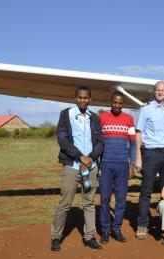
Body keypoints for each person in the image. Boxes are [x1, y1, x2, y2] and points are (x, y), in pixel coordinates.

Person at [50, 86, 103, 251]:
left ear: (90, 100)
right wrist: (81, 157)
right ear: (75, 98)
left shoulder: (95, 118)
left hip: (91, 167)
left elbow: (100, 142)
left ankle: (89, 236)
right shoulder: (66, 114)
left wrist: (91, 159)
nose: (83, 100)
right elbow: (62, 140)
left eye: (86, 98)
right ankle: (56, 237)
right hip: (72, 166)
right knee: (65, 203)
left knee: (89, 203)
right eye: (80, 97)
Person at [135, 81, 164, 240]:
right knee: (146, 190)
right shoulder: (146, 110)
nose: (160, 92)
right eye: (158, 90)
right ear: (154, 92)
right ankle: (142, 225)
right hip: (151, 153)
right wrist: (139, 157)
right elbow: (138, 133)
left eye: (163, 90)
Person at [98, 91, 136, 244]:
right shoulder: (102, 118)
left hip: (122, 165)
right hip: (106, 164)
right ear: (111, 102)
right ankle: (105, 230)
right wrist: (98, 165)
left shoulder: (129, 119)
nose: (117, 105)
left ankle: (116, 229)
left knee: (120, 200)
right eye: (115, 102)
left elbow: (133, 143)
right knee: (105, 199)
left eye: (120, 103)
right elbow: (97, 142)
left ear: (123, 104)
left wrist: (131, 165)